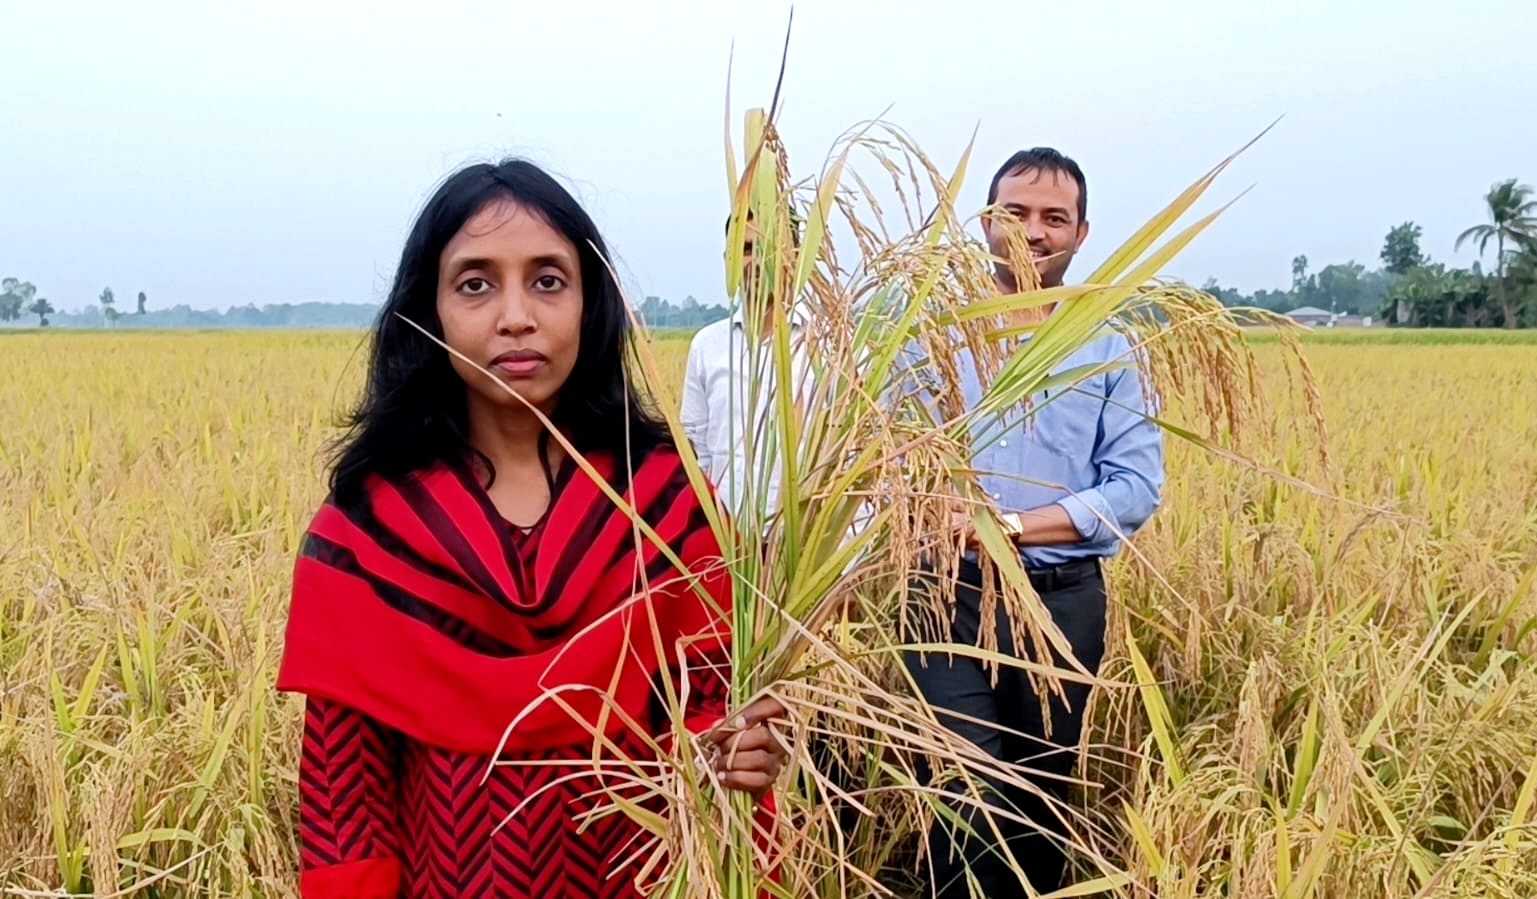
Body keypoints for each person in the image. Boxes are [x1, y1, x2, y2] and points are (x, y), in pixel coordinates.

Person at [276, 158, 786, 899]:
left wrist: (738, 754)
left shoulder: (670, 507)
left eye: (548, 280)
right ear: (430, 309)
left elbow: (714, 718)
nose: (516, 314)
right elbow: (343, 800)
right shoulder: (369, 531)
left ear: (590, 303)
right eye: (475, 283)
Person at [904, 147, 1165, 896]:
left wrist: (1011, 524)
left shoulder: (1110, 343)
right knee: (963, 789)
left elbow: (1134, 486)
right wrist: (927, 505)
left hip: (1059, 603)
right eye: (1014, 213)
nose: (1032, 231)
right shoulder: (929, 332)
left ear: (1081, 234)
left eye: (1054, 217)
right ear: (986, 221)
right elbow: (889, 453)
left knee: (1037, 798)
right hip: (942, 596)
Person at [679, 210, 812, 522]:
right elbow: (696, 454)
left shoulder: (832, 344)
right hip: (729, 544)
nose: (757, 262)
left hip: (811, 549)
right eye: (747, 249)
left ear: (795, 255)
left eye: (770, 248)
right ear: (729, 258)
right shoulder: (707, 346)